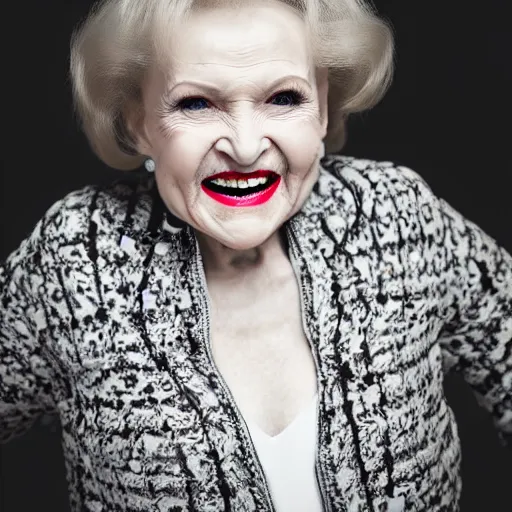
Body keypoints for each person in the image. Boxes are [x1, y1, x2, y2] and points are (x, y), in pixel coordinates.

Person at [1, 0, 510, 511]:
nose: (245, 148)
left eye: (284, 97)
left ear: (325, 107)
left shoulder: (395, 217)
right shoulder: (78, 258)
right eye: (196, 104)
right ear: (137, 123)